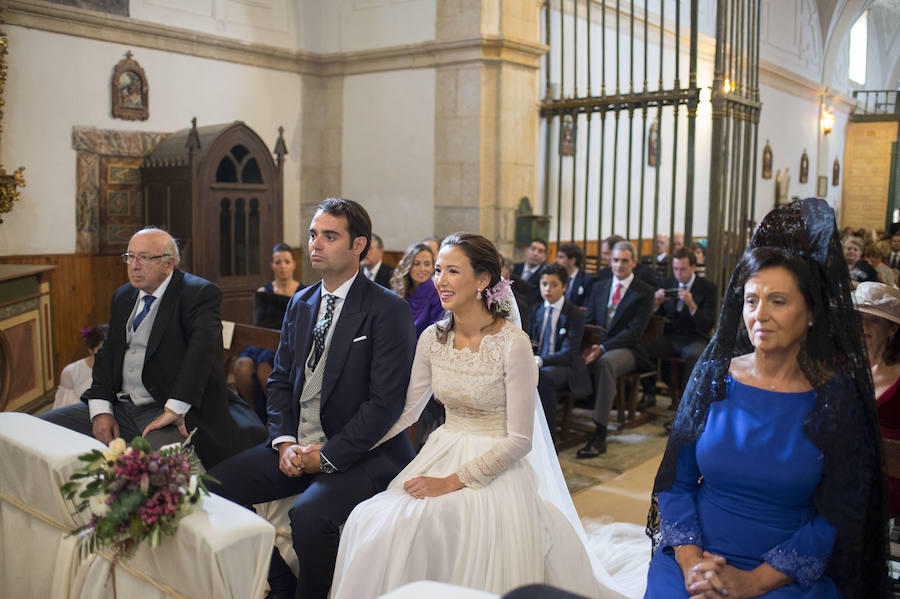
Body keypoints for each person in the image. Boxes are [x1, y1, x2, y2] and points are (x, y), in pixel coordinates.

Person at [329, 233, 625, 599]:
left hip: (494, 467)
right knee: (372, 520)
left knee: (437, 522)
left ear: (483, 280)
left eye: (453, 271)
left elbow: (520, 440)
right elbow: (407, 411)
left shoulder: (512, 343)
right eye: (438, 270)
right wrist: (340, 449)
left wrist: (450, 482)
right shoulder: (432, 339)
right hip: (442, 450)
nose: (440, 280)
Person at [645, 198, 890, 599]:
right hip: (696, 556)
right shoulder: (713, 376)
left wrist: (752, 582)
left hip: (783, 572)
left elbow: (838, 516)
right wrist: (692, 566)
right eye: (751, 299)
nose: (760, 314)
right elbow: (677, 482)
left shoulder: (836, 397)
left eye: (778, 301)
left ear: (811, 313)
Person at [205, 198, 417, 599]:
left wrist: (327, 454)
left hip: (365, 451)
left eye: (329, 236)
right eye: (313, 235)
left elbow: (384, 403)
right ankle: (283, 585)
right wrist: (284, 441)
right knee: (214, 486)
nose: (315, 245)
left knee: (310, 515)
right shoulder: (301, 303)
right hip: (299, 440)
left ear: (359, 246)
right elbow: (282, 380)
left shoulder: (387, 309)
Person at [41, 227, 266, 469]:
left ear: (169, 263)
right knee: (38, 432)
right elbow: (107, 356)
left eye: (144, 258)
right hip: (121, 404)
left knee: (173, 479)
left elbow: (201, 356)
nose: (134, 265)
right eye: (130, 256)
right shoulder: (123, 296)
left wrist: (174, 409)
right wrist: (101, 410)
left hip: (164, 409)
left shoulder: (198, 293)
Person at [577, 241, 654, 458]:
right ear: (610, 261)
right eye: (616, 260)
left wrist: (602, 348)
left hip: (628, 349)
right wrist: (590, 345)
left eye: (625, 260)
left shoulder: (644, 291)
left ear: (634, 263)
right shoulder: (600, 286)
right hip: (599, 344)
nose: (619, 265)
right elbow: (590, 320)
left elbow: (634, 332)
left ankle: (600, 434)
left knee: (606, 363)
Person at [234, 243, 301, 423]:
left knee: (265, 369)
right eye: (278, 262)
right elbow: (258, 325)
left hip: (286, 344)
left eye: (287, 261)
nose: (283, 266)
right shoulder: (263, 292)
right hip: (261, 341)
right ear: (272, 265)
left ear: (294, 264)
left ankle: (277, 419)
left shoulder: (304, 292)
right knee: (241, 366)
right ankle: (253, 416)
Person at [645, 247, 717, 406]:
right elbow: (655, 316)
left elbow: (707, 324)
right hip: (670, 336)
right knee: (642, 347)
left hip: (694, 337)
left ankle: (686, 404)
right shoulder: (667, 283)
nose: (679, 273)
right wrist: (655, 304)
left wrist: (692, 305)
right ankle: (649, 394)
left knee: (694, 355)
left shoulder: (708, 288)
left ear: (693, 267)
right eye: (676, 268)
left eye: (683, 269)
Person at [529, 263, 591, 440]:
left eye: (554, 284)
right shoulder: (537, 310)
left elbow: (570, 353)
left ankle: (548, 439)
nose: (548, 289)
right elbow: (530, 341)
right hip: (538, 363)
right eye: (544, 284)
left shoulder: (574, 313)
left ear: (564, 286)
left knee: (542, 378)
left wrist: (541, 360)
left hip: (565, 366)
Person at [853, 282, 900, 517]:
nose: (863, 326)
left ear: (892, 329)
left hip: (886, 489)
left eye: (873, 320)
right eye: (859, 317)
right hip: (839, 479)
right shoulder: (842, 366)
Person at [391, 242, 444, 338]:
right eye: (416, 264)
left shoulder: (437, 294)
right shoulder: (400, 289)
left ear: (433, 267)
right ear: (408, 266)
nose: (422, 269)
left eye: (427, 264)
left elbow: (436, 333)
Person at [52, 324, 108, 410]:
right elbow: (65, 410)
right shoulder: (71, 372)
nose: (107, 355)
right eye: (102, 350)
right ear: (90, 349)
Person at [556, 242, 594, 307]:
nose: (556, 260)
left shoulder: (587, 280)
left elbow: (586, 307)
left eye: (561, 257)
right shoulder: (557, 277)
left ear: (572, 261)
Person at [513, 237, 549, 304]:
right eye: (533, 249)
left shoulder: (545, 275)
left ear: (544, 257)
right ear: (527, 251)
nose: (535, 253)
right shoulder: (514, 268)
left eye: (540, 251)